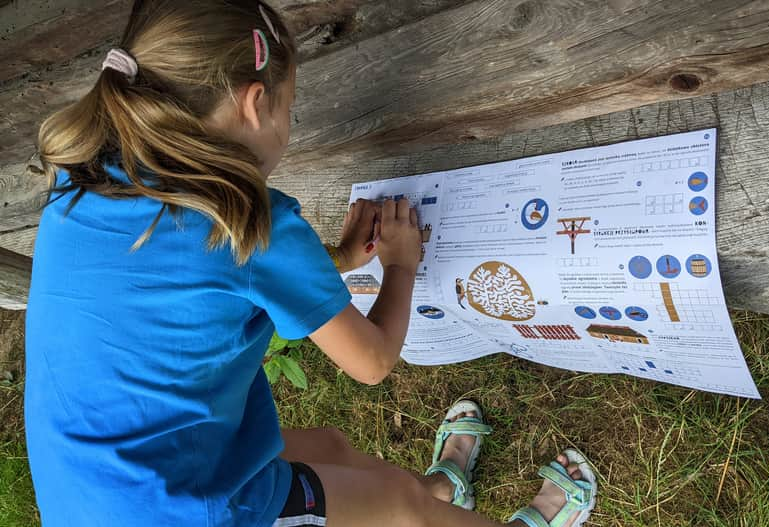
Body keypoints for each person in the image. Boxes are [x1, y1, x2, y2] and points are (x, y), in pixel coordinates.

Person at [24, 1, 598, 526]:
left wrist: (337, 261)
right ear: (255, 103)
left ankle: (440, 492)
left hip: (101, 477)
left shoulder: (80, 180)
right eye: (290, 110)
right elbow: (371, 362)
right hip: (190, 510)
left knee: (327, 448)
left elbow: (201, 293)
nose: (289, 125)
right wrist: (400, 264)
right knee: (400, 515)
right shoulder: (247, 219)